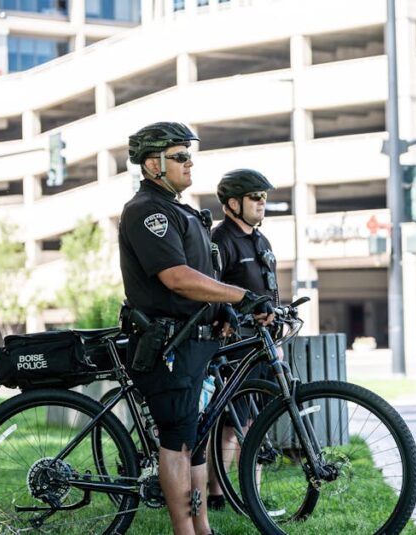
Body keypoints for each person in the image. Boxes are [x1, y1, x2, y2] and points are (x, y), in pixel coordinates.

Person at [119, 122, 274, 535]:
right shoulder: (148, 211)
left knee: (197, 438)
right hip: (168, 342)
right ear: (154, 164)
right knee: (177, 439)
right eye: (180, 156)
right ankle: (183, 530)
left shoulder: (181, 211)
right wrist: (240, 295)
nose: (190, 163)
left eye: (190, 155)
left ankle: (202, 526)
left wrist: (224, 311)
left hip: (194, 341)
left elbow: (202, 277)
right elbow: (176, 277)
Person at [205, 168, 279, 510]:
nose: (262, 203)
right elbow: (211, 290)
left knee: (261, 420)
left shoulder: (260, 240)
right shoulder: (221, 241)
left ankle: (254, 494)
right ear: (233, 203)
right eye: (255, 197)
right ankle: (216, 494)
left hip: (263, 344)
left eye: (264, 197)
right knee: (232, 423)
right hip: (234, 345)